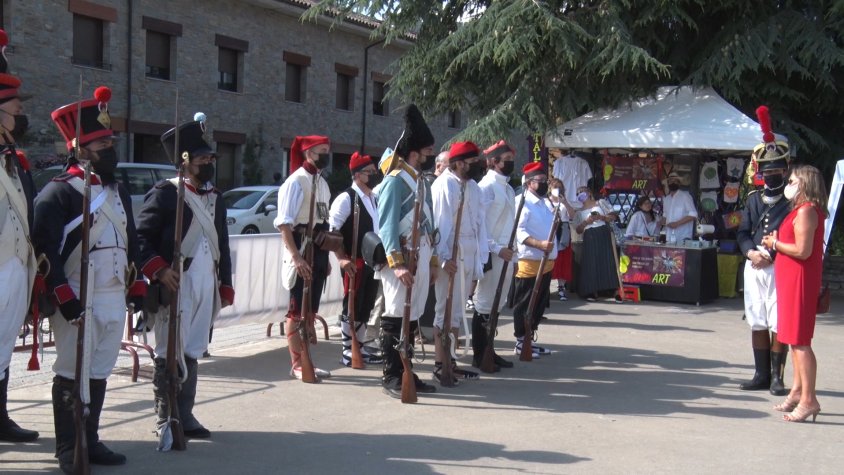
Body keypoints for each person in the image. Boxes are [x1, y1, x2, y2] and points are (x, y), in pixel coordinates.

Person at [33, 86, 146, 472]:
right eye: (103, 144)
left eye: (111, 142)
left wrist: (138, 284)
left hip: (113, 293)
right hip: (78, 293)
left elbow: (130, 239)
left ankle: (90, 439)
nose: (111, 150)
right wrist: (64, 297)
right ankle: (68, 447)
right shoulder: (58, 193)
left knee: (98, 370)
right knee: (71, 371)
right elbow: (45, 252)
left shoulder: (118, 191)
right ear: (80, 148)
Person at [135, 115, 234, 439]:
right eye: (202, 158)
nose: (209, 163)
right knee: (168, 350)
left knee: (192, 348)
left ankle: (185, 414)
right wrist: (160, 270)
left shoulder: (215, 197)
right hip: (176, 283)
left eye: (210, 158)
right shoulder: (166, 193)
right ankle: (167, 417)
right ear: (185, 160)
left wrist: (225, 283)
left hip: (206, 282)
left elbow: (222, 243)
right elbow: (140, 239)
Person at [377, 104, 438, 398]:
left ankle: (406, 370)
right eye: (428, 151)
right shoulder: (394, 182)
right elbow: (386, 225)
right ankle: (392, 374)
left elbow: (430, 222)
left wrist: (433, 259)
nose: (431, 156)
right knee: (395, 314)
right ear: (415, 153)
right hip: (401, 257)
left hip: (421, 252)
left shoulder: (420, 180)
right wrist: (397, 264)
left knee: (411, 315)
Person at [761, 165, 826, 422]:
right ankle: (798, 391)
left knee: (800, 342)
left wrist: (775, 243)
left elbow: (802, 250)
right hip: (790, 279)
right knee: (791, 338)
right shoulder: (800, 209)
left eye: (792, 181)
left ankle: (809, 400)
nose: (788, 185)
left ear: (805, 183)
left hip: (799, 280)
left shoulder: (807, 210)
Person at [0, 28, 39, 443]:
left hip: (14, 270)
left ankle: (0, 415)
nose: (21, 115)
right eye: (15, 109)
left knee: (3, 346)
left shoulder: (15, 162)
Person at [274, 135, 334, 381]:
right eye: (322, 151)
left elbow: (323, 221)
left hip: (318, 250)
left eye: (328, 150)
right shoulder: (295, 182)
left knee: (310, 310)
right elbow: (284, 224)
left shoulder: (322, 182)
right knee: (297, 310)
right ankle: (297, 363)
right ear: (309, 153)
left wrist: (325, 258)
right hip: (301, 248)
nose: (326, 155)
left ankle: (308, 359)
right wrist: (296, 257)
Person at [735, 130, 791, 395]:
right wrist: (751, 253)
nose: (771, 175)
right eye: (767, 171)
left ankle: (777, 377)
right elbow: (743, 233)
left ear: (785, 170)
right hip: (754, 264)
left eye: (776, 170)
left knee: (778, 321)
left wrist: (773, 255)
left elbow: (796, 236)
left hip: (779, 265)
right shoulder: (753, 200)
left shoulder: (792, 202)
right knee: (757, 319)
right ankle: (761, 374)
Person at [431, 141, 487, 384]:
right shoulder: (444, 184)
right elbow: (439, 223)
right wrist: (443, 258)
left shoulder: (473, 187)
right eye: (473, 162)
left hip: (468, 253)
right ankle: (439, 364)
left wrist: (480, 257)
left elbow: (479, 224)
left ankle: (451, 361)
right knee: (444, 310)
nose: (477, 166)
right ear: (460, 163)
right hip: (451, 254)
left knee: (456, 312)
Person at [328, 151, 384, 367]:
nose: (374, 175)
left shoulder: (374, 198)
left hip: (372, 262)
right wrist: (341, 258)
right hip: (354, 261)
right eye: (370, 172)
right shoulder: (346, 198)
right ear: (358, 174)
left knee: (366, 305)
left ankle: (358, 347)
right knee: (351, 305)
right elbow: (333, 232)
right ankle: (347, 350)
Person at [472, 140, 517, 370]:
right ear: (494, 161)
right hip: (492, 254)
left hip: (507, 255)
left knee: (497, 305)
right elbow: (481, 226)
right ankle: (480, 354)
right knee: (485, 304)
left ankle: (490, 349)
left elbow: (510, 225)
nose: (510, 163)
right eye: (506, 160)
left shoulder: (507, 188)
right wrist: (497, 248)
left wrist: (514, 255)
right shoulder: (486, 186)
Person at [512, 162, 557, 357]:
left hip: (546, 261)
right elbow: (519, 231)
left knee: (539, 303)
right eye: (541, 180)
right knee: (525, 302)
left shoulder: (545, 202)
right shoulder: (522, 202)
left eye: (546, 180)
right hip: (530, 260)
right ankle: (521, 341)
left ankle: (529, 338)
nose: (545, 184)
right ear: (530, 183)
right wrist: (538, 244)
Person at [574, 182, 620, 301]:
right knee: (590, 262)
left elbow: (613, 217)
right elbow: (578, 230)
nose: (580, 194)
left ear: (589, 193)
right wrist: (586, 222)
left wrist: (601, 217)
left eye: (582, 192)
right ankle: (590, 290)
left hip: (603, 232)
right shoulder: (578, 211)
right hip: (589, 235)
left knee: (607, 260)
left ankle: (611, 290)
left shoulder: (600, 203)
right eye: (578, 193)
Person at [548, 177, 575, 300]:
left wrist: (565, 203)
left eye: (560, 188)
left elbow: (572, 216)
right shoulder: (546, 201)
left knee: (563, 258)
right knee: (550, 258)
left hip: (563, 229)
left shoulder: (564, 201)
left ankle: (561, 287)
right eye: (555, 187)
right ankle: (546, 287)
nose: (557, 190)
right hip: (550, 229)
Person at [661, 172, 697, 243]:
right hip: (669, 236)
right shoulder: (666, 199)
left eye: (675, 181)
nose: (673, 183)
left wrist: (677, 223)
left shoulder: (685, 196)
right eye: (671, 181)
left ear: (679, 183)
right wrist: (661, 222)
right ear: (668, 183)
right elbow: (665, 214)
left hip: (683, 236)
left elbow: (693, 214)